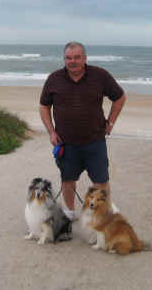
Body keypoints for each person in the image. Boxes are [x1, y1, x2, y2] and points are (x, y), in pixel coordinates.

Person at [39, 41, 126, 220]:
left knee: (101, 181)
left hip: (95, 141)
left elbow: (120, 97)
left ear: (84, 58)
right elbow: (43, 106)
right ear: (64, 59)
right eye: (68, 58)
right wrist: (51, 132)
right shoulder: (54, 78)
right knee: (67, 180)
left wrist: (110, 123)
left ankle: (100, 215)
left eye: (77, 57)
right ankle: (70, 213)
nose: (73, 61)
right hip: (66, 143)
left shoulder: (100, 76)